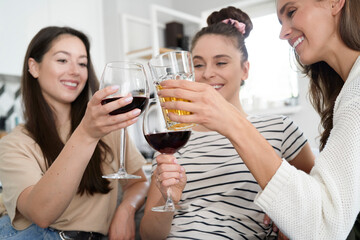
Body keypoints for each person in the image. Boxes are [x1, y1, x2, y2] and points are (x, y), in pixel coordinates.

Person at [151, 0, 360, 239]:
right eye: (198, 64)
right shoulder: (347, 93)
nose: (282, 33)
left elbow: (323, 224)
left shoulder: (352, 95)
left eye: (291, 12)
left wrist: (230, 121)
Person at [0, 26, 149, 239]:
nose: (75, 71)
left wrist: (126, 209)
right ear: (33, 67)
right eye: (62, 60)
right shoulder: (16, 143)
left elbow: (139, 181)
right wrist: (87, 134)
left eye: (82, 63)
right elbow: (41, 214)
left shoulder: (108, 129)